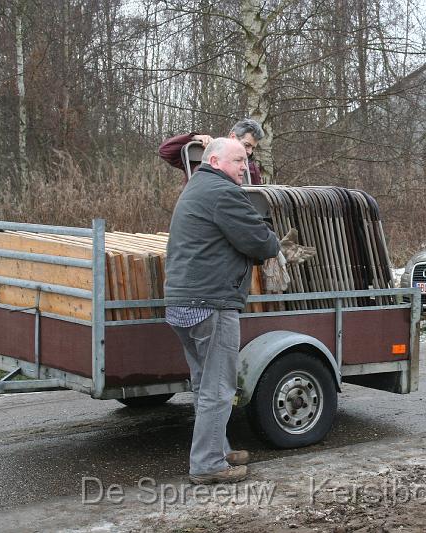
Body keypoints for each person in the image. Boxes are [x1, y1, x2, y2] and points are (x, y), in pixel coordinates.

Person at [164, 137, 280, 484]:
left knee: (204, 385)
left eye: (245, 160)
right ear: (214, 161)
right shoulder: (223, 193)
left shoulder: (196, 188)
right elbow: (261, 242)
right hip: (211, 303)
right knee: (219, 388)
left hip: (183, 301)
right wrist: (269, 239)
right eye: (238, 160)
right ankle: (207, 465)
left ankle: (217, 449)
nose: (244, 167)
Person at [159, 118, 265, 186]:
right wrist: (194, 137)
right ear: (233, 137)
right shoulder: (204, 154)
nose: (249, 152)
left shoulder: (250, 168)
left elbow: (254, 200)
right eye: (246, 145)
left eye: (253, 148)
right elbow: (165, 150)